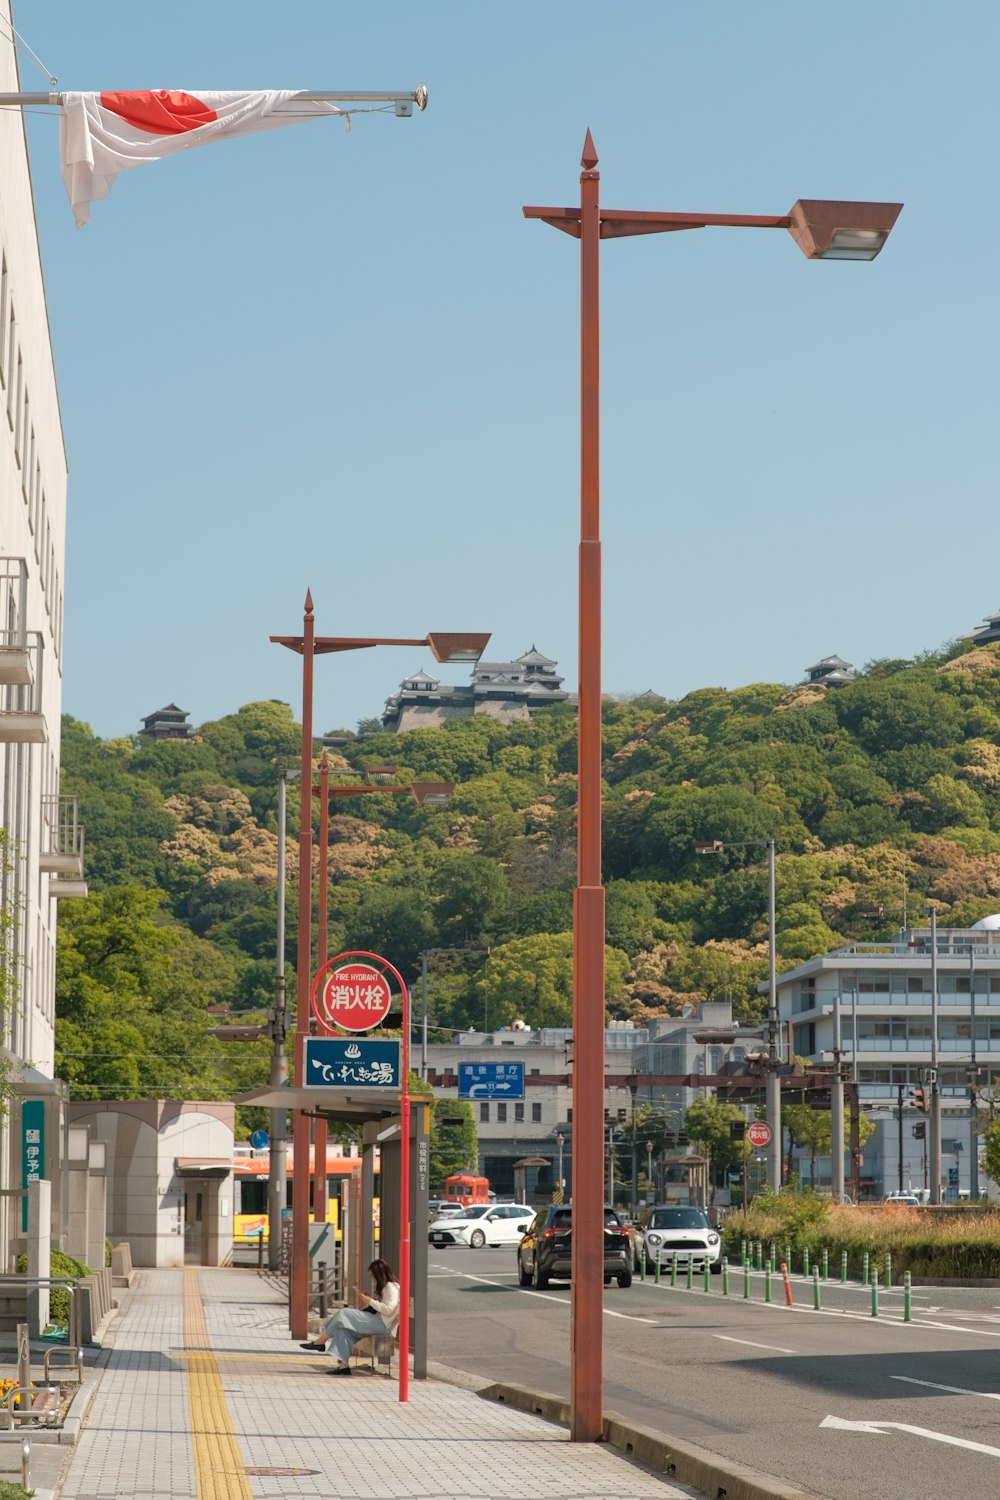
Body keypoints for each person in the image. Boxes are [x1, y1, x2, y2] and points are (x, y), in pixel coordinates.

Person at [300, 1258, 400, 1376]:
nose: (372, 1279)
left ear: (379, 1275)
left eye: (373, 1276)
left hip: (382, 1325)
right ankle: (344, 1367)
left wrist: (371, 1301)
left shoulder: (390, 1287)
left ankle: (321, 1341)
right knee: (343, 1330)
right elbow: (381, 1308)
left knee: (344, 1313)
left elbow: (389, 1309)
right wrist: (369, 1301)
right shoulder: (387, 1287)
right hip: (378, 1322)